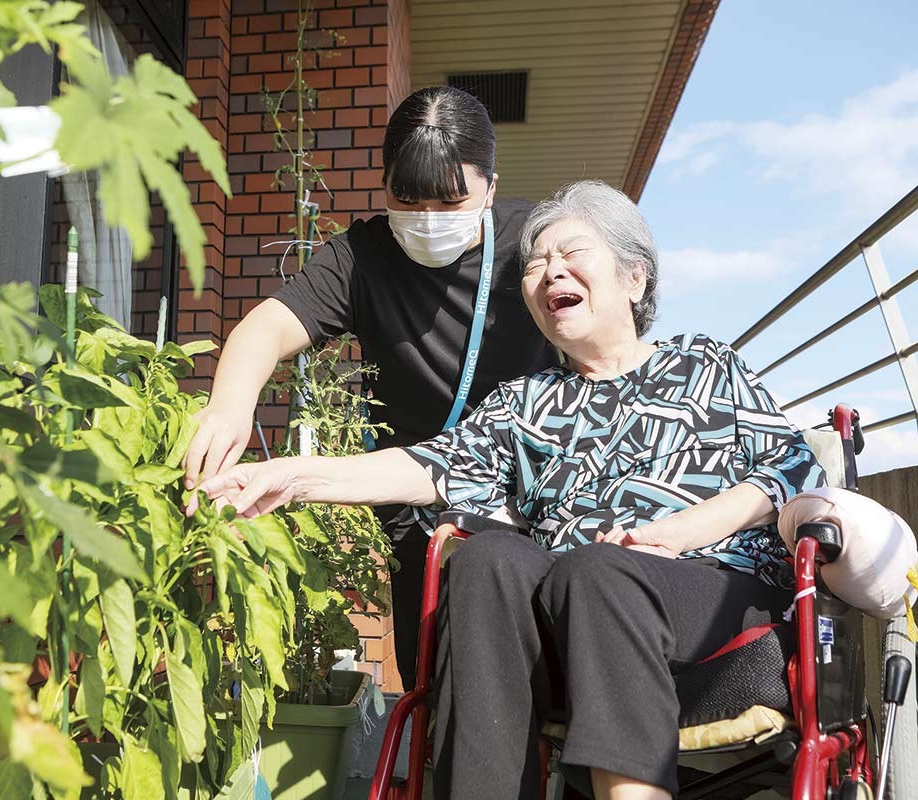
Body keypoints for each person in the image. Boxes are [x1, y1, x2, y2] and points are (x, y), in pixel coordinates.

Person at [190, 180, 825, 800]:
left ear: (635, 278)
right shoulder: (526, 403)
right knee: (488, 560)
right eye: (536, 264)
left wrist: (682, 532)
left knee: (601, 571)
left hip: (712, 614)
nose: (549, 272)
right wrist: (289, 477)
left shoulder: (704, 364)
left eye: (572, 254)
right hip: (575, 625)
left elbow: (795, 471)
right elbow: (426, 466)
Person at [183, 86, 557, 690]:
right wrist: (228, 408)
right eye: (406, 200)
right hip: (411, 488)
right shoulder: (363, 255)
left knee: (531, 655)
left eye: (451, 200)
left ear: (490, 186)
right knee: (428, 657)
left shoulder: (536, 245)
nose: (429, 220)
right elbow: (267, 326)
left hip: (527, 485)